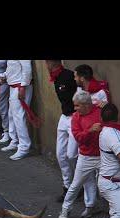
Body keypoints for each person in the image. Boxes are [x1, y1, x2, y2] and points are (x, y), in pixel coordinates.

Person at [58, 90, 101, 218]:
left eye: (77, 106)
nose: (74, 108)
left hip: (103, 156)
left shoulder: (100, 111)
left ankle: (90, 207)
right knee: (75, 185)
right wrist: (90, 131)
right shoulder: (75, 118)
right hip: (86, 157)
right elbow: (78, 138)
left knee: (105, 185)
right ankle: (65, 210)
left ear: (86, 105)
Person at [45, 60, 79, 202]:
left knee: (71, 155)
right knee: (61, 154)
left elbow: (81, 94)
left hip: (74, 118)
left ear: (53, 63)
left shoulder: (69, 76)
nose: (46, 65)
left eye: (47, 62)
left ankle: (78, 185)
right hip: (64, 117)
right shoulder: (56, 77)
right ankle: (67, 186)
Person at [0, 60, 33, 161]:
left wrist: (22, 87)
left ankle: (24, 147)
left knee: (19, 117)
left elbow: (27, 69)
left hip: (20, 87)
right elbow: (12, 68)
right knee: (12, 115)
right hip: (14, 87)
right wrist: (3, 75)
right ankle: (14, 141)